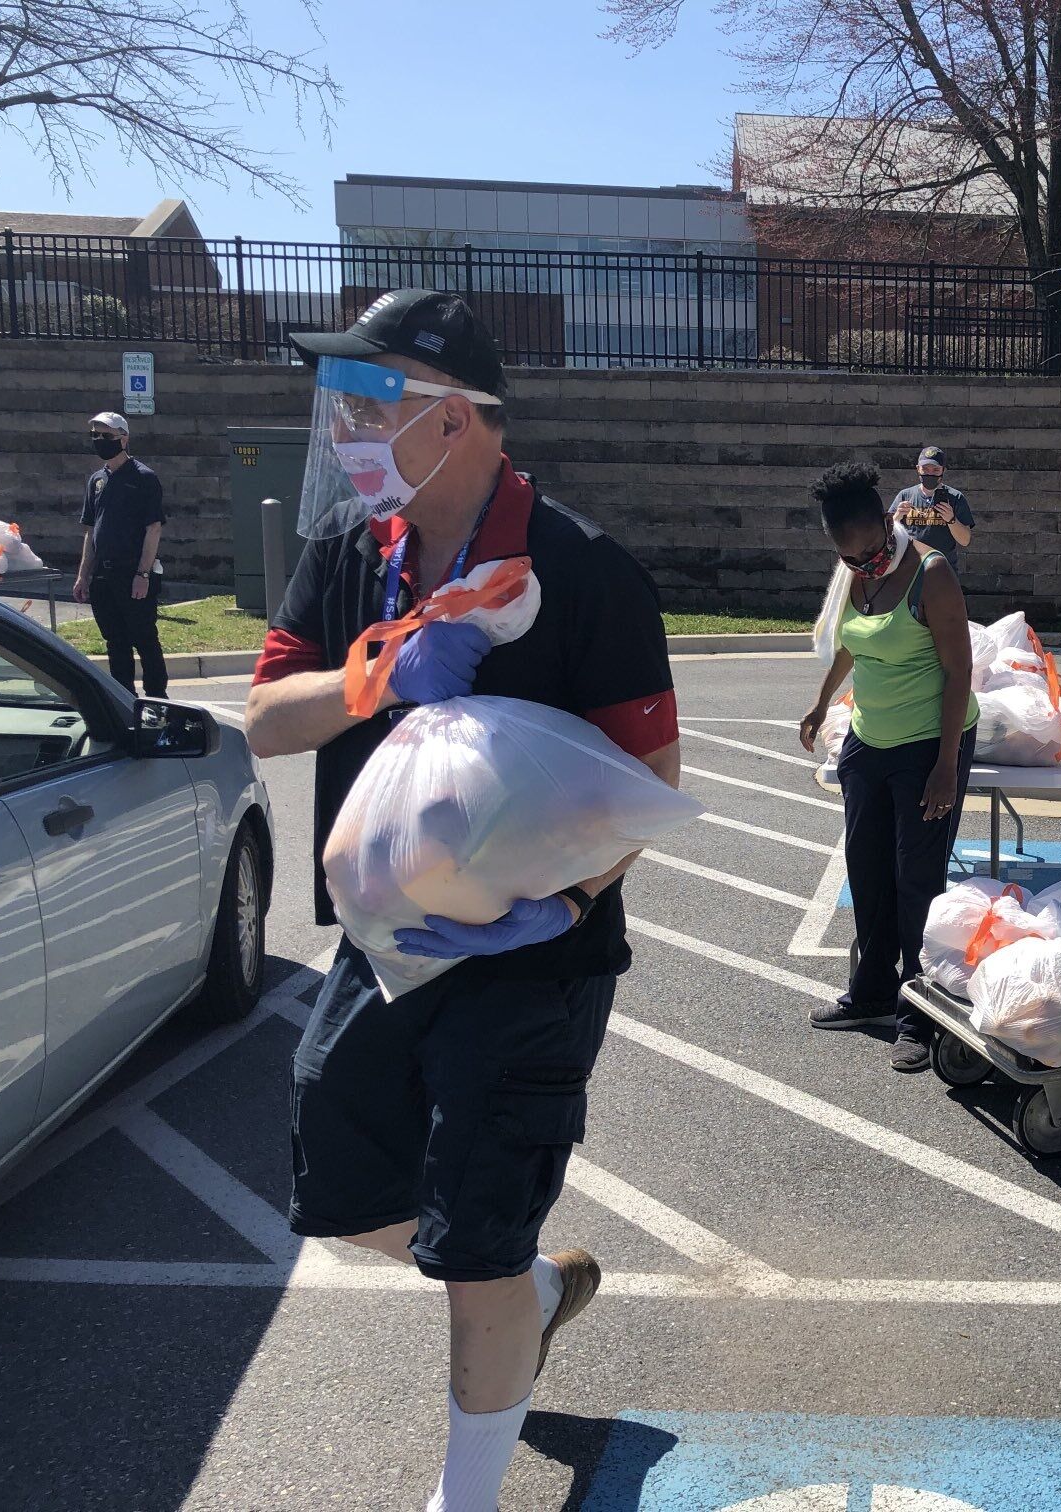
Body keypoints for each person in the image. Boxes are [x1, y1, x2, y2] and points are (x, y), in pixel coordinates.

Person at [244, 290, 681, 1512]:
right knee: (338, 1177)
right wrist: (376, 677)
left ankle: (468, 1490)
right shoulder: (348, 557)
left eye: (373, 398)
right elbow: (266, 720)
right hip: (387, 942)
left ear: (459, 414)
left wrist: (561, 905)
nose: (348, 429)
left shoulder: (586, 574)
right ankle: (534, 1292)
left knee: (474, 1241)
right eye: (344, 402)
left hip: (536, 962)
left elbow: (649, 786)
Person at [800, 459, 979, 1073]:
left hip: (931, 740)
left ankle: (918, 1011)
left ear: (888, 521)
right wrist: (822, 701)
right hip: (869, 739)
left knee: (916, 880)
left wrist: (947, 766)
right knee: (867, 870)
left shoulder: (932, 575)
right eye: (850, 557)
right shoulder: (853, 575)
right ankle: (871, 991)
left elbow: (960, 674)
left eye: (872, 549)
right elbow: (851, 639)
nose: (864, 563)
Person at [72, 410, 168, 698]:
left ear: (124, 439)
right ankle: (125, 697)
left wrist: (143, 574)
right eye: (95, 436)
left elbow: (154, 529)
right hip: (103, 574)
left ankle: (157, 697)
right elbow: (90, 531)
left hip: (133, 573)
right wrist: (82, 576)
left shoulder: (144, 479)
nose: (100, 441)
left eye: (107, 436)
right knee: (115, 640)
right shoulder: (96, 481)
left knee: (145, 638)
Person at [891, 445, 975, 572]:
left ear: (943, 470)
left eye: (935, 470)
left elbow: (965, 540)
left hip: (943, 571)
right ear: (918, 469)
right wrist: (896, 517)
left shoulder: (955, 498)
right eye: (925, 469)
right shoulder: (905, 495)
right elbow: (888, 533)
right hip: (910, 570)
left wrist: (951, 520)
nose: (930, 473)